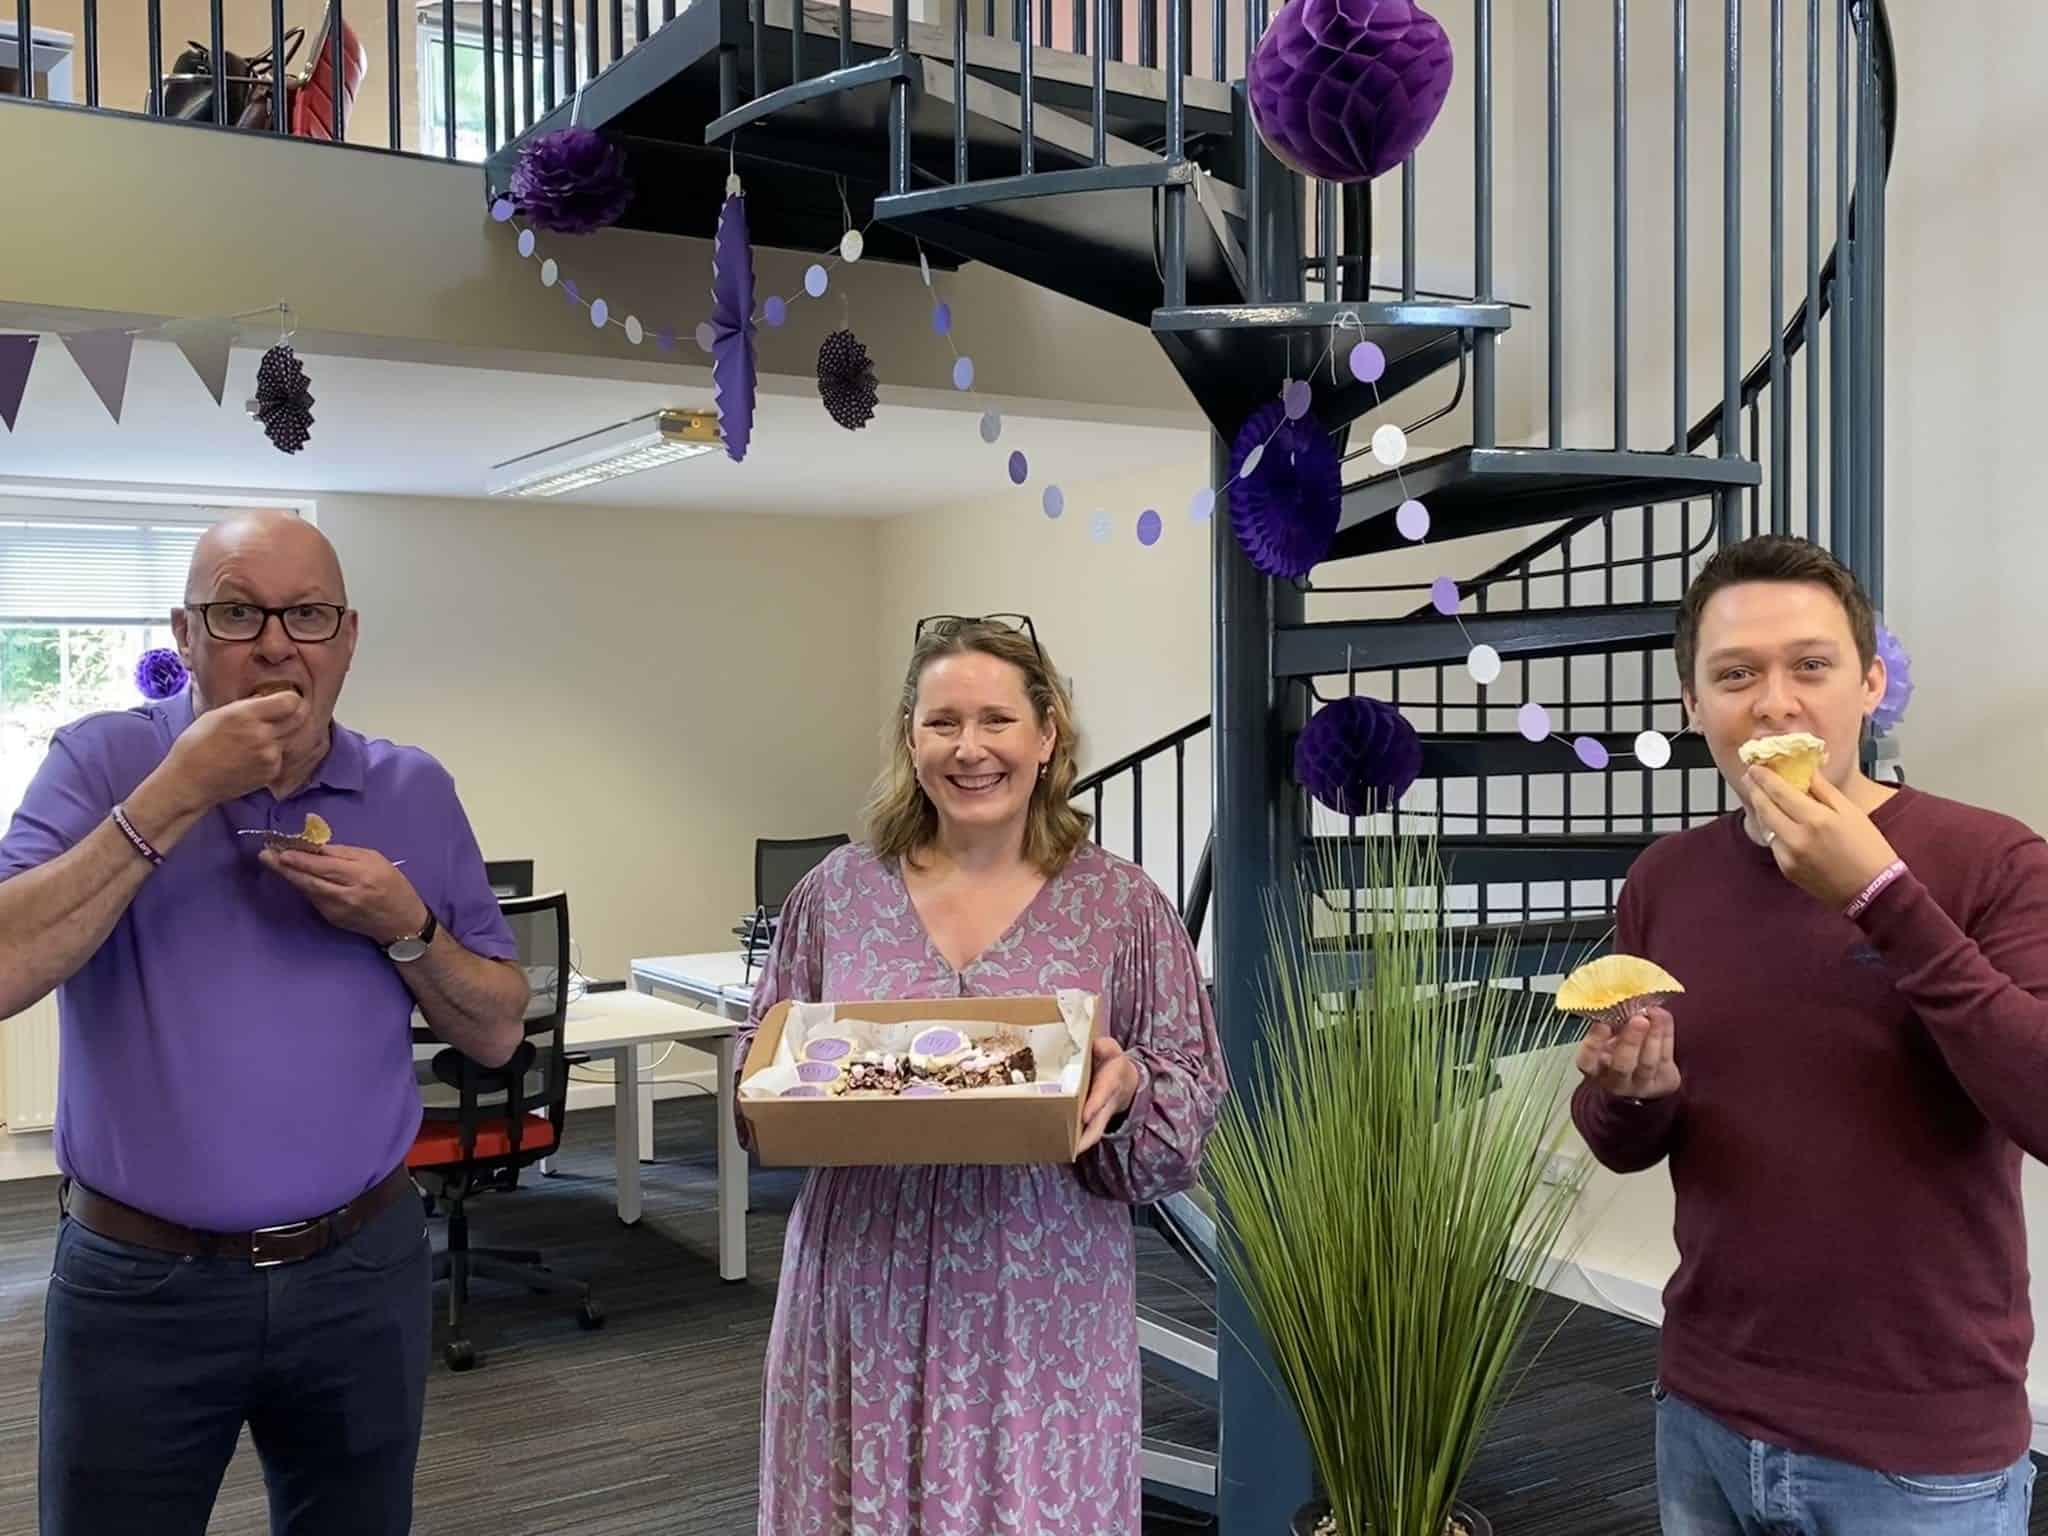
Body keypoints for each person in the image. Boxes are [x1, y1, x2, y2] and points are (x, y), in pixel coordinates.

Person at [0, 510, 531, 1536]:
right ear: (185, 633)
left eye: (309, 613)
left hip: (361, 1271)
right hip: (139, 1284)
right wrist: (176, 796)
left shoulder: (411, 789)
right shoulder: (103, 763)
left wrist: (406, 927)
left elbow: (499, 1031)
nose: (277, 641)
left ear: (348, 638)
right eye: (238, 611)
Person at [1570, 535, 2048, 1535]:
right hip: (1701, 1410)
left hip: (1917, 1451)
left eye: (1811, 666)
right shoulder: (1663, 880)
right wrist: (1629, 1093)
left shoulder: (1988, 859)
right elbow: (1624, 1144)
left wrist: (1879, 895)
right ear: (1692, 706)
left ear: (1868, 683)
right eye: (1734, 674)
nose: (1774, 704)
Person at [739, 614, 1226, 1535]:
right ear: (909, 739)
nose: (971, 749)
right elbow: (759, 1070)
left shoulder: (1121, 908)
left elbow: (1190, 1102)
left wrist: (1126, 1095)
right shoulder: (836, 895)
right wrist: (774, 1089)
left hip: (1041, 1295)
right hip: (859, 1279)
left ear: (1047, 736)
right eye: (942, 723)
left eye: (997, 721)